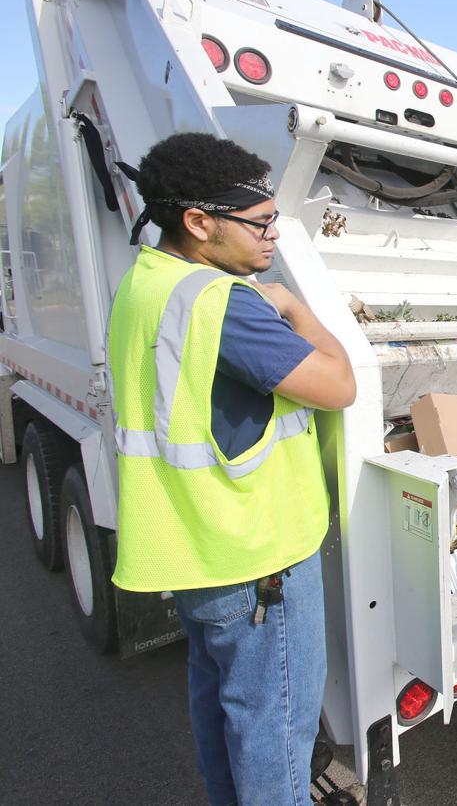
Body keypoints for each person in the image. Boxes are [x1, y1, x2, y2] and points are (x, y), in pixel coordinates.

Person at [107, 133, 356, 806]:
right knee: (275, 735)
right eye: (260, 222)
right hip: (257, 561)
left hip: (199, 552)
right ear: (198, 221)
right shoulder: (225, 304)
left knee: (224, 714)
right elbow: (338, 385)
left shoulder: (148, 280)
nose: (274, 236)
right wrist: (296, 308)